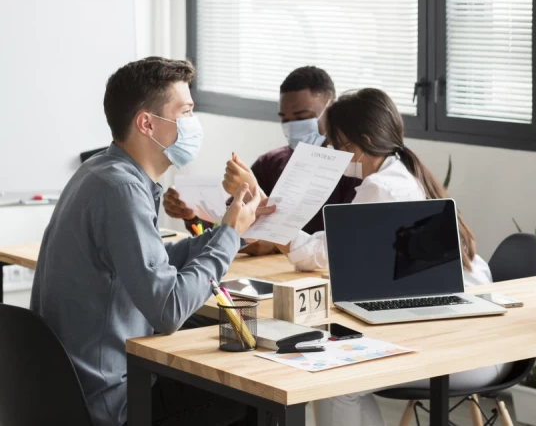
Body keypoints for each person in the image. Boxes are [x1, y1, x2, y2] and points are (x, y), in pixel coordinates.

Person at [30, 57, 272, 426]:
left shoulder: (100, 172)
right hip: (111, 402)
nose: (194, 124)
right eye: (186, 112)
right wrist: (229, 234)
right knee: (258, 393)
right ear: (147, 123)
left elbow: (151, 261)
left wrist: (228, 232)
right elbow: (169, 309)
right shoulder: (123, 189)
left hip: (68, 388)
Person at [261, 88, 506, 426]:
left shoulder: (382, 189)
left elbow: (324, 254)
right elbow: (338, 248)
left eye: (336, 145)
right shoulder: (404, 173)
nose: (332, 152)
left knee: (339, 384)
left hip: (456, 346)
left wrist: (271, 219)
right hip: (463, 330)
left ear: (359, 144)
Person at [163, 66, 360, 243]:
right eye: (285, 119)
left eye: (302, 117)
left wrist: (266, 238)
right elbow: (227, 226)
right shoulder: (272, 163)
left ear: (332, 107)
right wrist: (192, 215)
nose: (293, 127)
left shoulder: (353, 169)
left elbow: (341, 243)